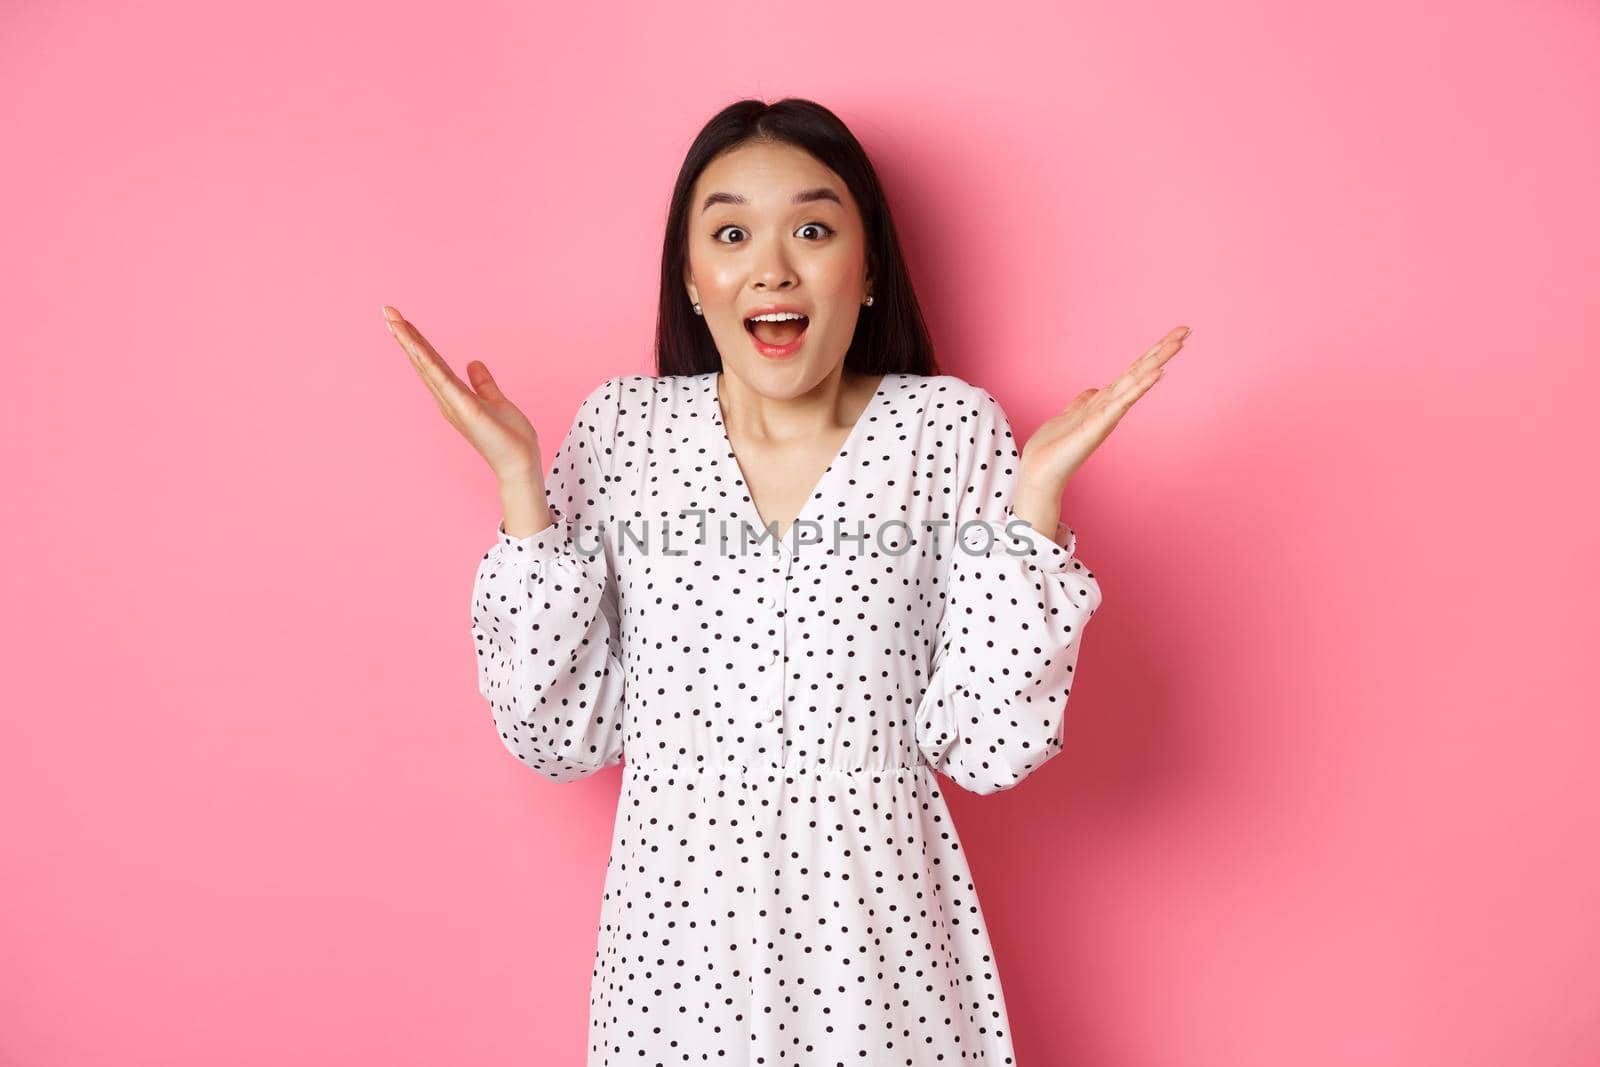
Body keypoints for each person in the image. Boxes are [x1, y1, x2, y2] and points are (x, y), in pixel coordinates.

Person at [385, 97, 1188, 1065]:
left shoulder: (947, 431)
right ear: (691, 277)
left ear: (869, 270)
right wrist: (520, 485)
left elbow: (987, 744)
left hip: (881, 966)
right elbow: (559, 733)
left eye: (812, 228)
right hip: (674, 970)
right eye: (730, 232)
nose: (772, 265)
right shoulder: (622, 434)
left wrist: (1037, 500)